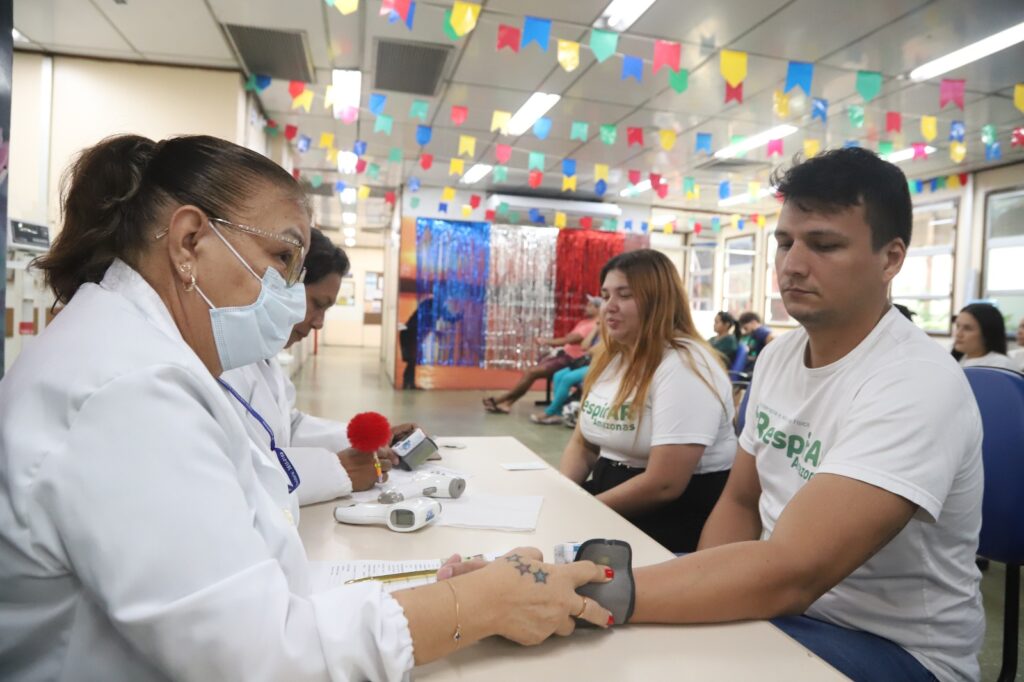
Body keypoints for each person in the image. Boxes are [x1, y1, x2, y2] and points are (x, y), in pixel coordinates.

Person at [0, 134, 614, 681]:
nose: (293, 299)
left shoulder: (141, 355)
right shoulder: (128, 388)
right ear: (189, 242)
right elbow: (256, 656)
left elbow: (253, 582)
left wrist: (429, 594)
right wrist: (472, 609)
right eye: (282, 260)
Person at [617, 148, 984, 682]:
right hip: (788, 609)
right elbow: (741, 500)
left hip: (895, 650)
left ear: (891, 259)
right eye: (785, 242)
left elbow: (795, 572)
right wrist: (698, 603)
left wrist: (601, 594)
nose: (792, 265)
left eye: (825, 244)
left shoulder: (917, 382)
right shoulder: (780, 356)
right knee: (637, 638)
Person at [220, 228, 416, 506]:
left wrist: (372, 441)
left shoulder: (262, 357)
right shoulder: (218, 363)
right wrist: (336, 471)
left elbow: (288, 426)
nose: (319, 322)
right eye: (316, 304)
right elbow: (235, 474)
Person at [557, 250, 736, 553]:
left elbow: (664, 483)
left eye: (624, 295)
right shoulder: (614, 358)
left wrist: (584, 512)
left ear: (658, 300)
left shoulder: (684, 366)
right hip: (611, 495)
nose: (608, 307)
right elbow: (583, 443)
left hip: (670, 515)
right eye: (605, 296)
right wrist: (563, 496)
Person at [483, 295, 601, 414]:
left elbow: (570, 340)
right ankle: (507, 403)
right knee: (534, 373)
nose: (586, 307)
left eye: (590, 305)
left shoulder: (594, 325)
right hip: (564, 355)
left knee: (533, 372)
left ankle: (503, 399)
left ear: (598, 309)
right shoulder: (585, 322)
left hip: (571, 360)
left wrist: (546, 341)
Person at [529, 323, 601, 425]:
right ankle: (557, 413)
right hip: (589, 363)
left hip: (600, 366)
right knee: (558, 375)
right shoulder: (598, 330)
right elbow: (584, 347)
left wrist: (593, 349)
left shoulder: (612, 334)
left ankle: (550, 411)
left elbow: (595, 351)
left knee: (567, 378)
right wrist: (595, 330)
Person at [399, 292, 463, 389]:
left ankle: (409, 383)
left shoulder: (433, 305)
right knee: (412, 359)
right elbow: (449, 318)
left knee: (412, 360)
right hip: (411, 333)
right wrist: (460, 315)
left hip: (411, 333)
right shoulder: (432, 305)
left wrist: (460, 316)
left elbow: (449, 318)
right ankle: (408, 383)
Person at [951, 302, 1019, 371]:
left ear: (987, 333)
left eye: (967, 328)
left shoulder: (1001, 365)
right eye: (957, 326)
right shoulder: (958, 359)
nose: (958, 334)